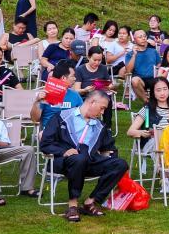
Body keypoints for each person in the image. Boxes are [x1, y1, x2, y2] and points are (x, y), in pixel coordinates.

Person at [40, 90, 129, 222]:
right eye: (102, 108)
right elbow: (45, 144)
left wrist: (112, 161)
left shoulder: (99, 126)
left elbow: (110, 148)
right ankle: (72, 205)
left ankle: (91, 201)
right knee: (79, 159)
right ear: (92, 102)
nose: (102, 112)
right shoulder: (62, 117)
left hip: (88, 161)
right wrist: (63, 151)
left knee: (120, 164)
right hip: (63, 161)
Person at [31, 60, 84, 129]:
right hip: (49, 131)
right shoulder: (45, 94)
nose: (75, 79)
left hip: (70, 131)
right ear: (63, 78)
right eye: (73, 76)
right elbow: (34, 119)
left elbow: (83, 116)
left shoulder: (75, 95)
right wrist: (37, 102)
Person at [123, 29, 162, 104]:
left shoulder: (153, 51)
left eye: (144, 36)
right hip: (140, 80)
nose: (143, 38)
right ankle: (147, 102)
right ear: (134, 40)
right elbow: (128, 71)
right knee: (134, 80)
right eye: (140, 37)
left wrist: (157, 71)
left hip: (153, 78)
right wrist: (134, 55)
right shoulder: (130, 54)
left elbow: (159, 64)